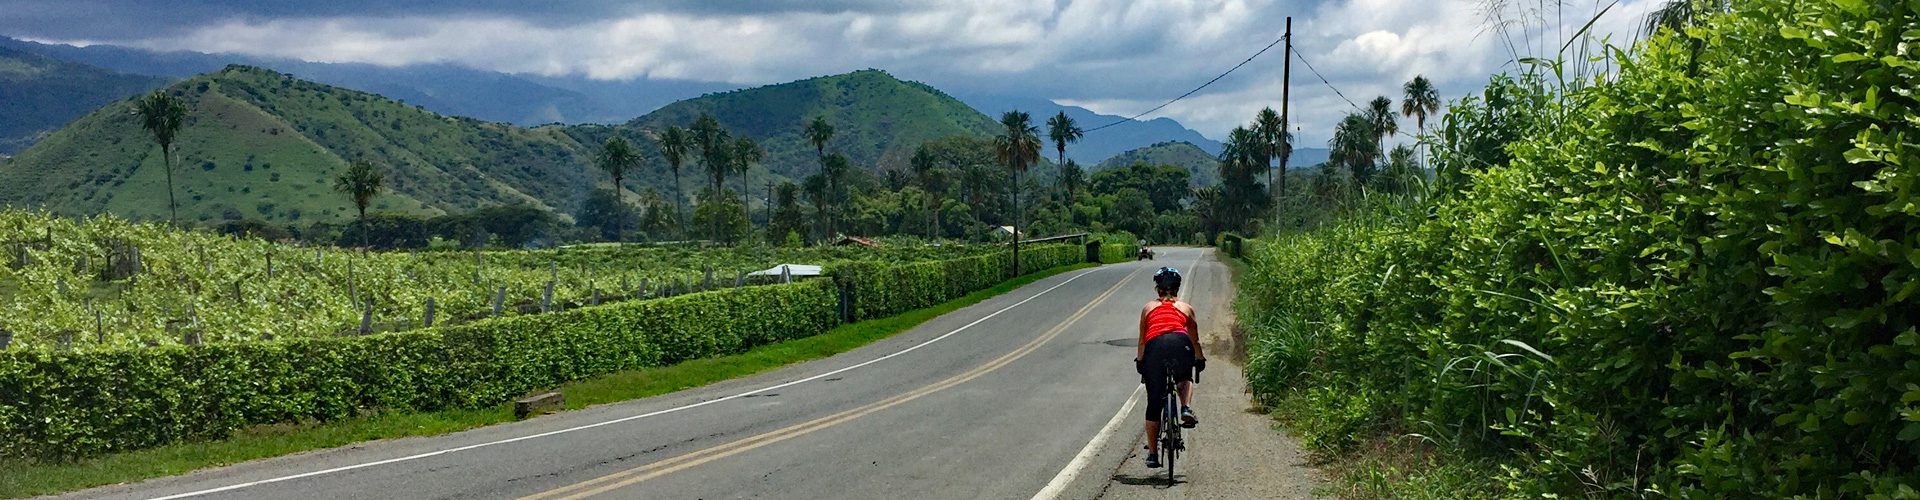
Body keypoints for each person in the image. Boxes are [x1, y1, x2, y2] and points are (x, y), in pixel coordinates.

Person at [1134, 266, 1205, 468]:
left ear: (1158, 289)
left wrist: (1141, 362)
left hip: (1155, 347)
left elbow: (1142, 341)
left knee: (1154, 404)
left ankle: (1153, 455)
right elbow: (1195, 340)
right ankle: (1185, 407)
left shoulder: (1148, 308)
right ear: (1177, 289)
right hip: (1179, 343)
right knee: (1185, 376)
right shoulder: (1186, 308)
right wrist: (1199, 359)